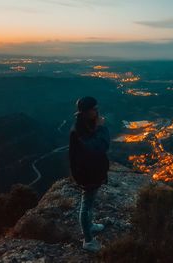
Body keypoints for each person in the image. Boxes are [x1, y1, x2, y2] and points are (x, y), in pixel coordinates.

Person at [68, 96, 110, 252]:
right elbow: (99, 147)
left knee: (90, 204)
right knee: (86, 205)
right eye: (94, 108)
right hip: (87, 174)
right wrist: (101, 128)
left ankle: (90, 226)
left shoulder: (84, 125)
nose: (97, 110)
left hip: (91, 171)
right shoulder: (79, 130)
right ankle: (88, 241)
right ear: (85, 112)